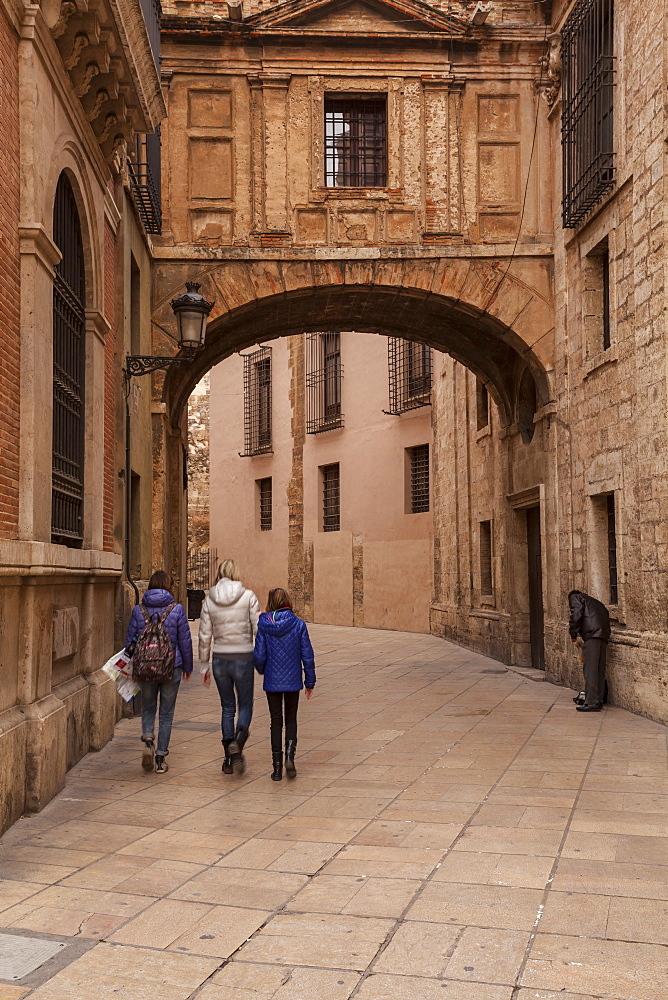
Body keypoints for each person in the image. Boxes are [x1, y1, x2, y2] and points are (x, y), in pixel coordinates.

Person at [126, 570, 193, 773]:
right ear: (169, 586)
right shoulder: (177, 610)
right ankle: (161, 758)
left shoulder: (139, 610)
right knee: (166, 713)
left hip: (146, 667)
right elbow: (185, 641)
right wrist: (188, 667)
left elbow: (130, 641)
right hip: (171, 666)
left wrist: (131, 665)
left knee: (148, 707)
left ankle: (148, 739)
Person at [199, 559, 260, 774]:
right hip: (243, 656)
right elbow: (258, 630)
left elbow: (205, 635)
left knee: (227, 707)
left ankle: (228, 758)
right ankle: (239, 741)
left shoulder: (209, 600)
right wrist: (261, 656)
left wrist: (204, 666)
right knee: (245, 705)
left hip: (220, 659)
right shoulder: (248, 596)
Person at [253, 588, 316, 782]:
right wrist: (310, 681)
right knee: (291, 719)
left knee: (275, 721)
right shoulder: (298, 625)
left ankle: (277, 768)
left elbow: (259, 655)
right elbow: (307, 655)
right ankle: (290, 757)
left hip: (272, 680)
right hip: (292, 681)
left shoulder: (264, 624)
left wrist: (263, 669)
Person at [568, 589, 610, 712]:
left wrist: (573, 634)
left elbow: (576, 615)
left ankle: (591, 701)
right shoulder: (595, 602)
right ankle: (599, 699)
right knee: (599, 669)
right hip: (603, 636)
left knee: (590, 670)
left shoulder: (576, 597)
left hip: (592, 635)